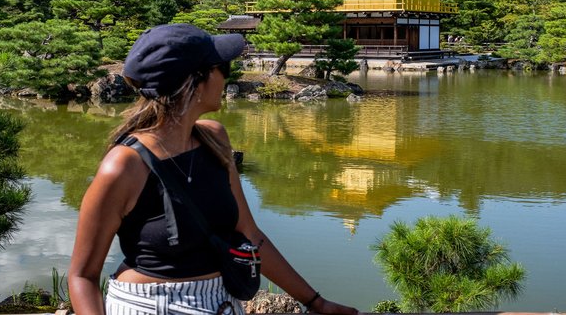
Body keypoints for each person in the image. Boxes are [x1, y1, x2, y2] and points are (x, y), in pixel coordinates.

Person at [69, 24, 358, 315]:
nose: (227, 77)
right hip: (150, 305)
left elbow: (249, 234)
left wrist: (315, 302)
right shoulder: (125, 164)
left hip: (222, 301)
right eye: (223, 68)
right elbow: (83, 276)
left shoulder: (214, 138)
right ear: (194, 81)